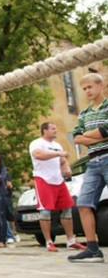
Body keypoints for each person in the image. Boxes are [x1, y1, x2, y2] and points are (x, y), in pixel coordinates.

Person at [29, 122, 86, 253]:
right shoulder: (37, 143)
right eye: (53, 129)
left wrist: (66, 168)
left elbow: (63, 161)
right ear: (44, 130)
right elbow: (38, 155)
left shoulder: (57, 145)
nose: (55, 131)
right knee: (45, 211)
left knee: (67, 209)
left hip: (58, 181)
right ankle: (49, 242)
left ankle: (71, 241)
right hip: (43, 180)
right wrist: (58, 154)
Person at [68, 73, 107, 263]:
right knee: (83, 203)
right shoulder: (84, 113)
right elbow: (76, 137)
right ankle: (92, 249)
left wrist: (90, 136)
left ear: (101, 86)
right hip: (92, 161)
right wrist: (97, 136)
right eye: (84, 89)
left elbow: (105, 131)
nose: (87, 91)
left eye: (90, 87)